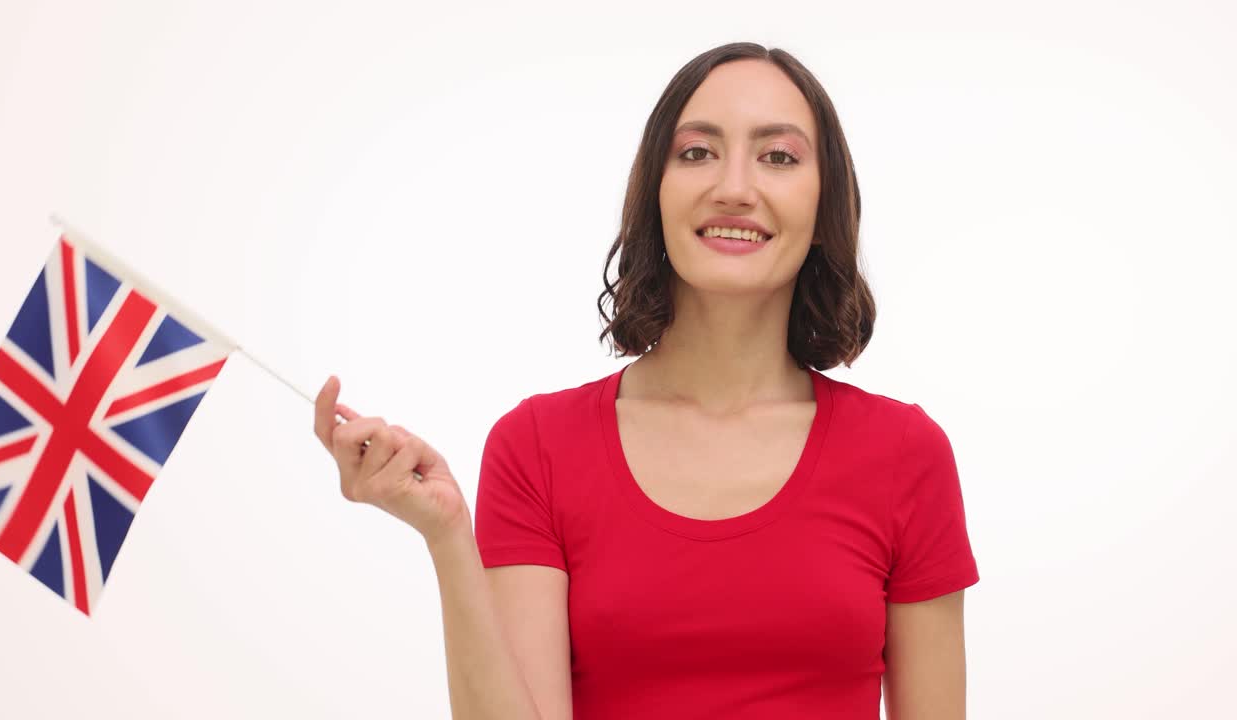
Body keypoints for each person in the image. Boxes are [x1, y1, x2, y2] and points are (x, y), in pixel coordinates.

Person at [313, 41, 979, 720]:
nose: (735, 188)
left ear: (824, 205)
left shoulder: (905, 454)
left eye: (778, 156)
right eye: (697, 152)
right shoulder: (537, 448)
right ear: (654, 193)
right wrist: (450, 537)